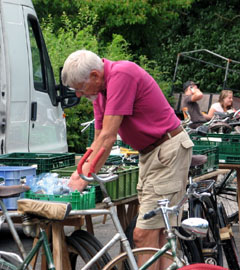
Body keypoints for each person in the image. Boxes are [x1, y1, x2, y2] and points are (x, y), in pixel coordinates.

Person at [62, 50, 193, 269]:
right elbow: (97, 140)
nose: (78, 94)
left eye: (80, 87)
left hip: (167, 151)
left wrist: (82, 179)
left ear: (95, 75)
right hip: (151, 154)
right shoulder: (99, 92)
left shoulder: (122, 75)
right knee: (158, 233)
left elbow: (109, 137)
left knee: (144, 234)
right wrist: (79, 173)